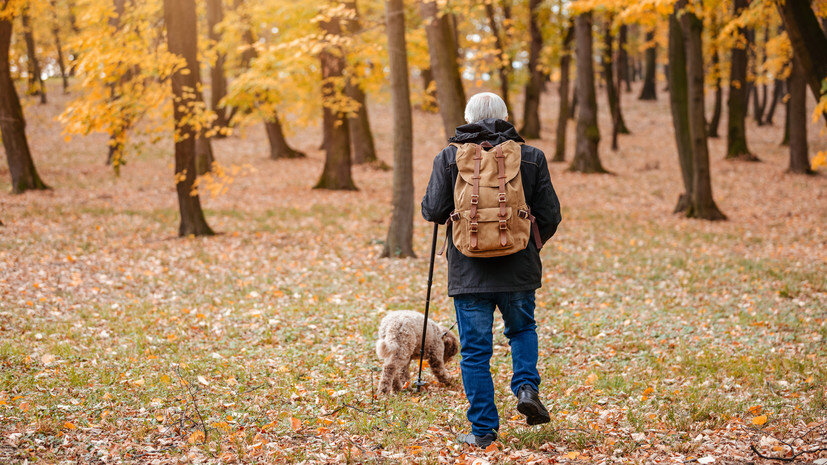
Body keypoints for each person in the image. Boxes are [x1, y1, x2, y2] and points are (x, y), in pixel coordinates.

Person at [421, 92, 562, 448]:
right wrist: (530, 240)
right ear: (505, 116)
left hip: (468, 274)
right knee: (522, 330)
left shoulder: (449, 157)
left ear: (468, 117)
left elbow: (433, 210)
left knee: (475, 352)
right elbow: (551, 214)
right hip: (518, 268)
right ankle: (527, 387)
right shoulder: (530, 157)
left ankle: (483, 431)